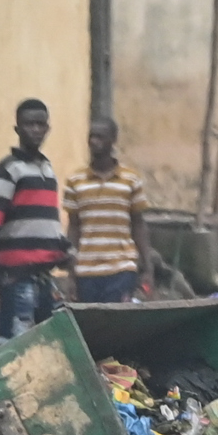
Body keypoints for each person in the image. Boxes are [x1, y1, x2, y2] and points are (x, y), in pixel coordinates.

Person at [0, 98, 64, 339]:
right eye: (29, 124)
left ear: (47, 128)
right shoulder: (7, 170)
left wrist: (64, 252)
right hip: (15, 279)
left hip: (44, 278)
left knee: (44, 345)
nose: (35, 130)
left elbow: (48, 224)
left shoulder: (47, 170)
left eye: (40, 124)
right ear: (17, 129)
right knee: (16, 347)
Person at [66, 118, 150, 307]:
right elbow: (74, 227)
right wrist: (71, 274)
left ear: (113, 140)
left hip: (121, 268)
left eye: (100, 137)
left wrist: (147, 268)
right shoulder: (75, 181)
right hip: (86, 270)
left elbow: (138, 224)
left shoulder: (130, 180)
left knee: (117, 322)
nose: (94, 141)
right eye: (91, 137)